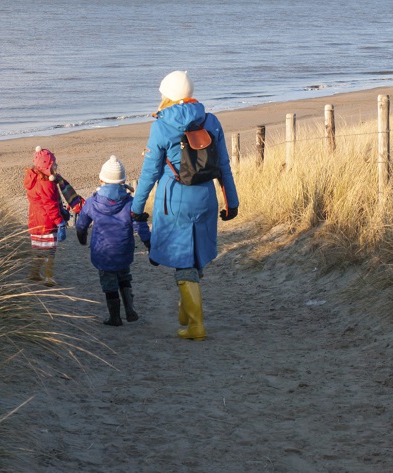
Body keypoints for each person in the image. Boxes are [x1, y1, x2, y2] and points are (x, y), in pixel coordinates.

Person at [131, 70, 239, 341]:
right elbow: (224, 165)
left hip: (174, 201)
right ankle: (186, 310)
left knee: (183, 262)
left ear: (168, 95)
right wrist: (232, 202)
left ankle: (196, 325)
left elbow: (150, 172)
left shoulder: (161, 125)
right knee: (197, 254)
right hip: (205, 197)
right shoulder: (211, 121)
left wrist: (137, 207)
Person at [75, 155, 151, 326]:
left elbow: (81, 224)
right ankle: (130, 310)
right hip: (123, 249)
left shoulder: (93, 202)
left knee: (109, 282)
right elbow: (140, 225)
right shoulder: (130, 202)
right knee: (124, 276)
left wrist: (82, 238)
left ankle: (115, 317)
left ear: (101, 179)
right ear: (122, 181)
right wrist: (148, 242)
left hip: (103, 252)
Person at [23, 146, 84, 287]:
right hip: (47, 224)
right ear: (46, 167)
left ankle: (34, 274)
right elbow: (50, 207)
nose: (55, 166)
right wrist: (60, 223)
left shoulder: (33, 179)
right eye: (53, 164)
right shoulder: (46, 184)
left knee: (38, 250)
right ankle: (49, 278)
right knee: (50, 252)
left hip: (35, 222)